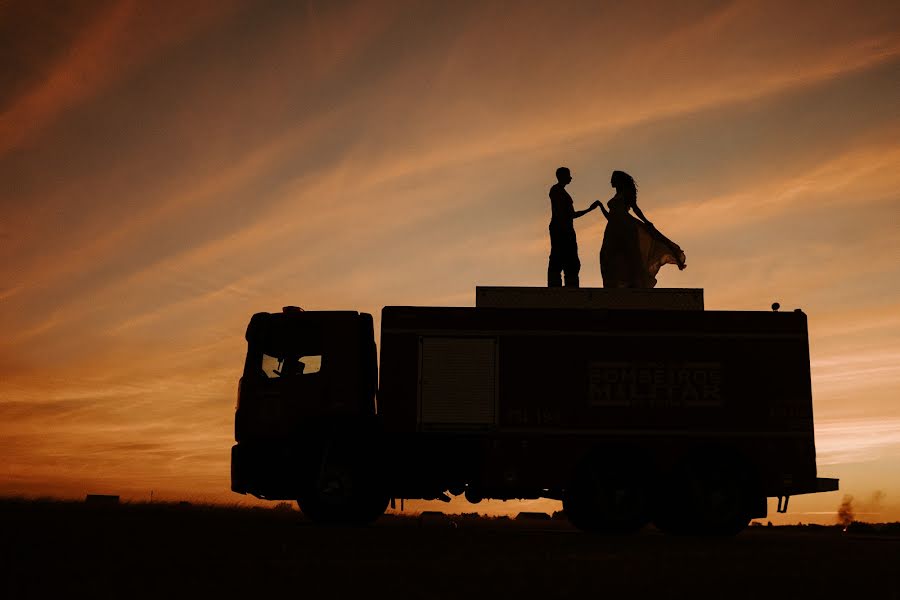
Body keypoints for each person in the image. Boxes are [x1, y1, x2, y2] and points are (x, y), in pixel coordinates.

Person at [598, 170, 685, 288]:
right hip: (613, 229)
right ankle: (614, 285)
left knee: (629, 255)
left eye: (613, 179)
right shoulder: (617, 195)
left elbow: (635, 209)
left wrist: (646, 222)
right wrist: (600, 206)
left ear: (619, 181)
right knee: (608, 255)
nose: (611, 181)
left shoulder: (626, 194)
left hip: (626, 227)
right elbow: (611, 217)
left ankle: (634, 284)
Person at [547, 167, 601, 287]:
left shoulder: (559, 191)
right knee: (562, 260)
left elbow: (570, 215)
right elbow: (570, 214)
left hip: (564, 229)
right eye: (568, 175)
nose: (570, 178)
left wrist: (588, 210)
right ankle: (559, 290)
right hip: (562, 230)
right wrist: (589, 209)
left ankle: (568, 288)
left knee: (568, 262)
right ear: (562, 176)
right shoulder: (557, 191)